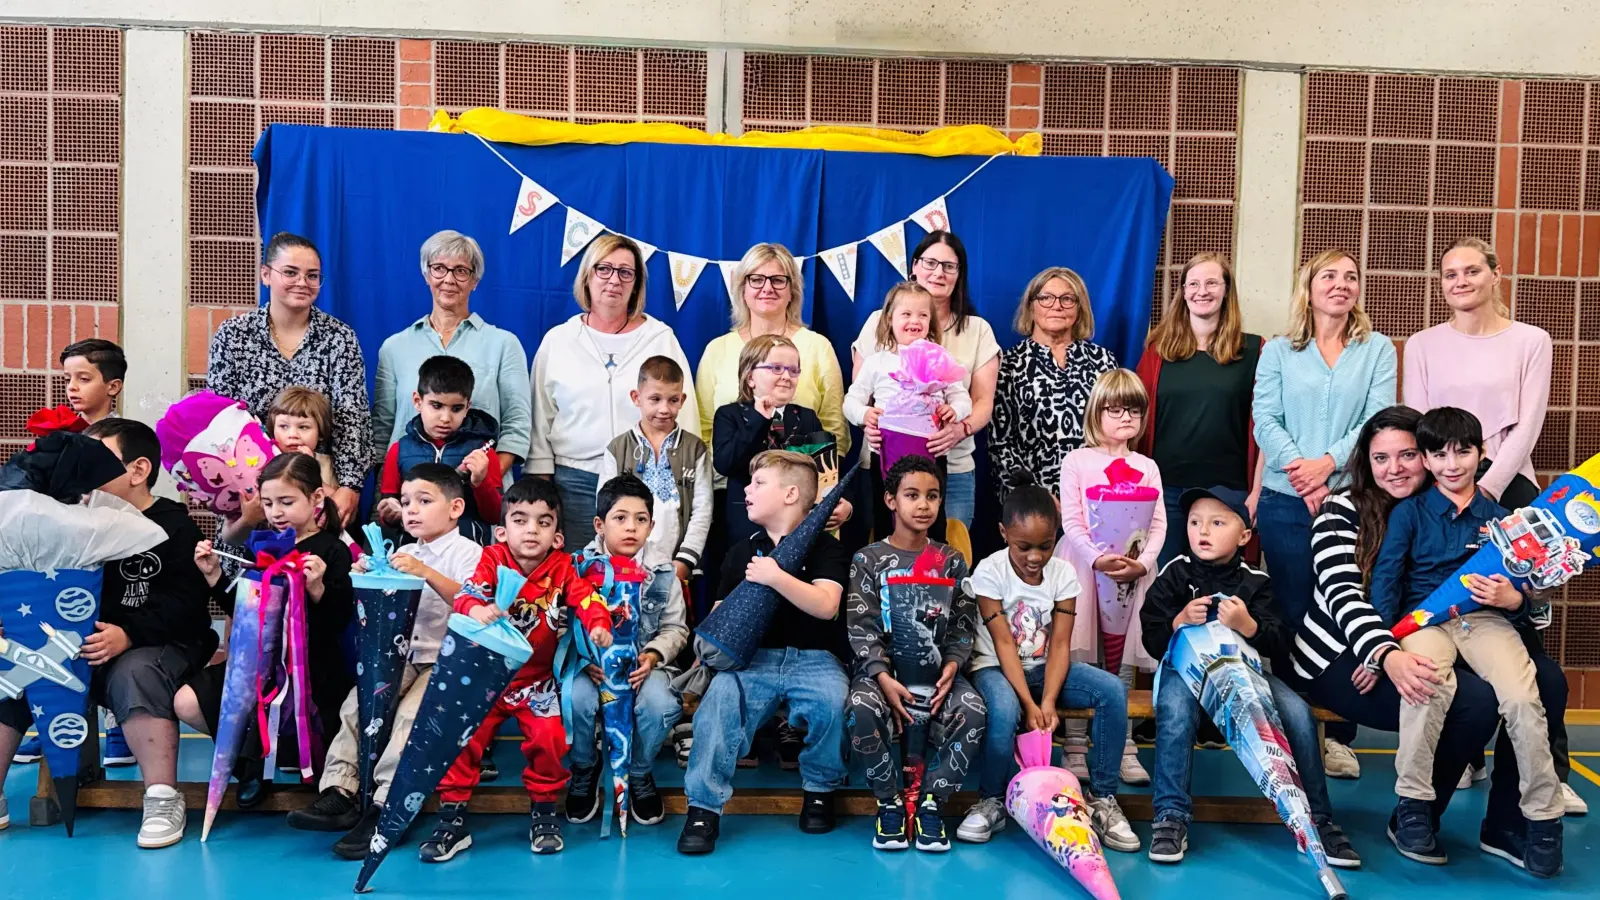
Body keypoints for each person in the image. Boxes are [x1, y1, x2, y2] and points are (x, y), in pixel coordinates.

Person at [1402, 238, 1573, 806]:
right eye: (1450, 273)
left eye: (1472, 270)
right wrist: (1451, 483)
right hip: (1443, 488)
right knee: (1450, 610)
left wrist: (1487, 491)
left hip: (1506, 488)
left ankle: (1551, 766)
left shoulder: (1532, 340)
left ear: (1496, 275)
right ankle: (1468, 750)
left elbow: (1530, 421)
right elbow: (1421, 421)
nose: (1460, 281)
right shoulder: (1424, 344)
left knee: (1518, 628)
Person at [1368, 407, 1563, 875]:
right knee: (1428, 684)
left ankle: (1542, 817)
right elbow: (1386, 583)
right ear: (1428, 461)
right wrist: (1379, 648)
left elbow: (1529, 598)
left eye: (1463, 451)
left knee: (1523, 698)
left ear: (1482, 454)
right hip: (1424, 623)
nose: (1452, 464)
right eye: (1439, 454)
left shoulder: (1503, 520)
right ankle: (1413, 804)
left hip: (1486, 622)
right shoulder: (1409, 513)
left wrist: (1512, 597)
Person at [1140, 486, 1359, 868]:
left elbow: (1279, 642)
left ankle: (1318, 819)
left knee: (1298, 713)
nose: (1202, 530)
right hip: (1184, 674)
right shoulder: (1174, 572)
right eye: (1194, 522)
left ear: (1244, 536)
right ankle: (1170, 815)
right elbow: (1152, 637)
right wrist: (1176, 622)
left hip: (1246, 675)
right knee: (1173, 713)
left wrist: (1249, 625)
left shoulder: (1255, 581)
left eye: (1217, 522)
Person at [285, 463, 483, 858]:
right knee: (357, 705)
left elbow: (471, 602)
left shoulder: (469, 552)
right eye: (406, 501)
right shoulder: (404, 550)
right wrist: (368, 573)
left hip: (445, 661)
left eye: (424, 501)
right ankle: (340, 791)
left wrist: (424, 572)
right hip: (402, 655)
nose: (411, 510)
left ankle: (385, 807)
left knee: (411, 718)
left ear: (456, 508)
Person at [420, 478, 613, 860]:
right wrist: (477, 608)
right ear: (503, 530)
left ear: (557, 537)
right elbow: (468, 593)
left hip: (537, 683)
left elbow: (587, 598)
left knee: (548, 740)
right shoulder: (492, 558)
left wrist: (598, 624)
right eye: (522, 520)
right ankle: (452, 816)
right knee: (463, 738)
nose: (532, 530)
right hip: (485, 678)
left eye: (543, 523)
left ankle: (544, 809)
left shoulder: (563, 568)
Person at [678, 451, 852, 855]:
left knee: (834, 701)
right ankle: (703, 808)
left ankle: (820, 790)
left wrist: (776, 577)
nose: (747, 490)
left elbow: (827, 606)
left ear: (791, 494)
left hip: (814, 657)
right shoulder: (741, 552)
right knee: (719, 702)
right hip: (752, 661)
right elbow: (722, 615)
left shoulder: (825, 548)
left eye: (759, 484)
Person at [956, 478, 1139, 852]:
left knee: (1111, 691)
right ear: (1003, 533)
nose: (1036, 557)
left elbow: (1059, 642)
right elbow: (1004, 642)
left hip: (1044, 667)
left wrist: (1049, 700)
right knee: (1004, 710)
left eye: (1046, 545)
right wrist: (1029, 703)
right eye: (1024, 547)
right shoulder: (989, 572)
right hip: (994, 666)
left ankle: (1102, 799)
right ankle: (991, 799)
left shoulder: (1063, 574)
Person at [178, 453, 357, 807]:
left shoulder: (333, 550)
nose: (276, 512)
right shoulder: (261, 546)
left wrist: (318, 588)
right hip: (257, 664)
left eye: (287, 502)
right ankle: (249, 760)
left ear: (317, 498)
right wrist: (214, 576)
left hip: (312, 669)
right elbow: (246, 614)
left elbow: (340, 621)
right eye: (269, 502)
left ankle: (282, 759)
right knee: (186, 700)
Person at [74, 419, 217, 848]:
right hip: (92, 644)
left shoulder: (174, 528)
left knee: (135, 671)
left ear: (138, 471)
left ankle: (161, 794)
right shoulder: (75, 525)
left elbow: (186, 605)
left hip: (165, 646)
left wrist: (129, 634)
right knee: (17, 664)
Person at [1252, 249, 1395, 678]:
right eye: (1329, 276)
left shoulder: (1378, 349)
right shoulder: (1278, 351)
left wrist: (1329, 464)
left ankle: (1339, 733)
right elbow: (1265, 419)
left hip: (1352, 499)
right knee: (1293, 609)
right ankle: (1295, 727)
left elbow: (1378, 418)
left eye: (1350, 277)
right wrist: (1304, 474)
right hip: (1286, 500)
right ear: (1309, 290)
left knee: (1346, 605)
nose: (1341, 284)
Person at [845, 456, 982, 853]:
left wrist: (953, 667)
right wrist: (883, 679)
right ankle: (888, 802)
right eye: (912, 495)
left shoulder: (950, 560)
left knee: (973, 709)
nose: (923, 505)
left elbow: (962, 623)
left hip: (939, 676)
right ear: (890, 500)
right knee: (860, 706)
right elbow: (860, 626)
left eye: (933, 496)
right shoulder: (867, 560)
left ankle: (930, 804)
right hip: (884, 676)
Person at [529, 235, 698, 549]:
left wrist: (681, 484)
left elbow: (685, 420)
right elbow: (540, 420)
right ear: (587, 277)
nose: (614, 280)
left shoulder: (661, 339)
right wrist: (542, 486)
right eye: (603, 269)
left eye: (625, 272)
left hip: (644, 481)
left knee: (640, 581)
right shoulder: (559, 340)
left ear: (636, 283)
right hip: (575, 483)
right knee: (580, 583)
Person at [206, 232, 372, 528]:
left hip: (318, 490)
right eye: (291, 272)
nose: (302, 282)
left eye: (312, 275)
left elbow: (352, 416)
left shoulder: (339, 338)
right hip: (251, 488)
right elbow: (219, 415)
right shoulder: (233, 335)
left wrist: (350, 485)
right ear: (266, 275)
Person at [1056, 369, 1163, 786]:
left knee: (1122, 665)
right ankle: (1077, 744)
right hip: (1085, 569)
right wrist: (1096, 559)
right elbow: (1071, 518)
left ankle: (1124, 744)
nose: (1125, 418)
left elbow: (1157, 524)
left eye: (1134, 411)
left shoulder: (1147, 466)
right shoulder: (1077, 461)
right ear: (1095, 412)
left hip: (1133, 574)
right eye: (1115, 410)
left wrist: (1144, 562)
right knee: (1084, 655)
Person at [564, 475, 688, 829]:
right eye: (620, 518)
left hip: (644, 668)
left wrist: (651, 656)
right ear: (600, 525)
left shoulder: (663, 571)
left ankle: (639, 770)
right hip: (593, 667)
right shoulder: (579, 568)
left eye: (641, 519)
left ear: (651, 525)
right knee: (576, 698)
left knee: (660, 704)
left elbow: (676, 628)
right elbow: (565, 625)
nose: (631, 527)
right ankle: (585, 767)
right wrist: (585, 659)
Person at [853, 231, 999, 527]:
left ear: (960, 274)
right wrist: (867, 421)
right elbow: (859, 397)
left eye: (949, 266)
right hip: (885, 462)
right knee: (886, 550)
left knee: (944, 555)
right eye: (930, 262)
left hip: (949, 467)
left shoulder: (977, 329)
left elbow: (982, 401)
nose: (938, 272)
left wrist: (959, 427)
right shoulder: (878, 322)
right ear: (914, 267)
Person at [1136, 253, 1263, 568]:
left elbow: (1267, 428)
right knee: (1165, 588)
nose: (1201, 291)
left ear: (1226, 291)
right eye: (1193, 283)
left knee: (1222, 599)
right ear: (1182, 292)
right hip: (1166, 492)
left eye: (1211, 283)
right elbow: (1135, 422)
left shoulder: (1254, 350)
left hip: (1228, 493)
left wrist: (1257, 491)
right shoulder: (1158, 351)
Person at [374, 230, 531, 480]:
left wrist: (479, 483)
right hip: (409, 499)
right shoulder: (394, 347)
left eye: (460, 271)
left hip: (480, 499)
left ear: (475, 280)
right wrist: (387, 495)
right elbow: (383, 430)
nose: (449, 279)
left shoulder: (504, 344)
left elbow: (516, 427)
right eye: (439, 268)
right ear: (426, 274)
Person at [696, 242, 850, 486]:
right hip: (731, 490)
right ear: (742, 289)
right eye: (756, 279)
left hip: (801, 494)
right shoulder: (717, 350)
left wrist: (823, 491)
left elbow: (834, 429)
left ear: (792, 291)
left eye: (778, 280)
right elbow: (703, 430)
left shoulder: (818, 347)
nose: (767, 288)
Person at [845, 281, 972, 540]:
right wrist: (864, 415)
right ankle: (888, 574)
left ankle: (931, 571)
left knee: (933, 519)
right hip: (885, 452)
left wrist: (954, 411)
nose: (915, 320)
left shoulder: (939, 359)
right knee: (886, 517)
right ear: (889, 319)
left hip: (932, 452)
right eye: (906, 314)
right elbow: (851, 400)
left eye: (923, 315)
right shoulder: (877, 362)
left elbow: (963, 399)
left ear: (931, 322)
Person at [990, 266, 1119, 503]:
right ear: (1031, 306)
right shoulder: (1008, 364)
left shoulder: (1103, 361)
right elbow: (1000, 443)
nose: (1057, 306)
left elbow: (1117, 431)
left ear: (1080, 308)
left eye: (1067, 299)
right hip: (1028, 500)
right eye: (1046, 298)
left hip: (1094, 496)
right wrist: (1037, 496)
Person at [597, 356, 712, 579]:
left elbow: (702, 510)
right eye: (655, 399)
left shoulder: (694, 449)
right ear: (636, 398)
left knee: (674, 614)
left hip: (676, 564)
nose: (664, 409)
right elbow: (605, 507)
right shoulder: (618, 448)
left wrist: (685, 560)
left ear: (682, 400)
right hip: (625, 564)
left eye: (673, 400)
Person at [712, 335, 828, 546]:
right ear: (750, 378)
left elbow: (825, 471)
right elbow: (725, 463)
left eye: (793, 370)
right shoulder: (729, 415)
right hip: (746, 526)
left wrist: (843, 504)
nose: (786, 376)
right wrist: (759, 420)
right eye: (776, 368)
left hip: (798, 526)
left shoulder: (807, 417)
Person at [375, 355, 502, 544]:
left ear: (468, 407)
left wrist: (480, 483)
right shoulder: (399, 450)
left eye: (456, 408)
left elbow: (495, 516)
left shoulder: (482, 452)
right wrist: (389, 514)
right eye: (436, 406)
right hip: (412, 555)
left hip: (465, 557)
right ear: (417, 401)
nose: (445, 418)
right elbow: (388, 514)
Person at [268, 386, 339, 494]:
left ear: (320, 432)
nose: (292, 435)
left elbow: (337, 505)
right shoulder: (265, 461)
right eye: (283, 426)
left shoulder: (328, 465)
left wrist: (311, 472)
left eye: (303, 427)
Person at [61, 338, 125, 424]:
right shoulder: (64, 431)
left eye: (84, 379)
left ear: (113, 387)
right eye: (67, 380)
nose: (71, 387)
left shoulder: (126, 434)